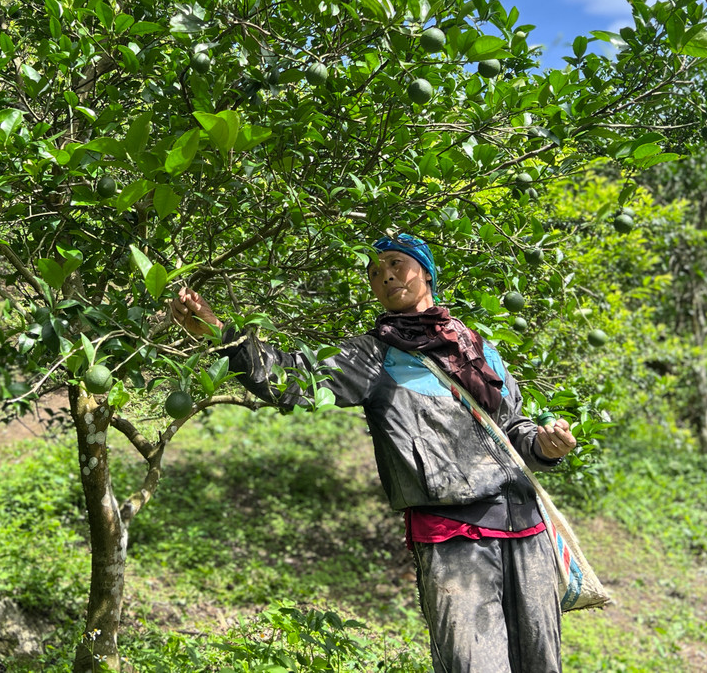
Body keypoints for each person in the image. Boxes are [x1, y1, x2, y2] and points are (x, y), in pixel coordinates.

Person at [171, 233, 576, 673]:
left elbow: (512, 428)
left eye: (396, 264)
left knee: (541, 663)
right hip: (452, 534)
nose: (385, 275)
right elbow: (293, 377)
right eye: (374, 271)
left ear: (425, 271)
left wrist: (544, 445)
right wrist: (223, 338)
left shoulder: (479, 350)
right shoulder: (375, 357)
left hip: (526, 529)